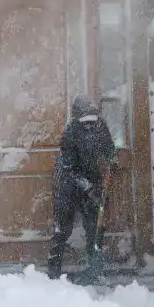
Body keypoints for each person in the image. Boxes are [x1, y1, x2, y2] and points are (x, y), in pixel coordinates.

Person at [46, 94, 117, 284]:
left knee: (95, 228)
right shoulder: (71, 132)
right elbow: (69, 167)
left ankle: (94, 270)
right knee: (62, 229)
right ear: (77, 116)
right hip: (67, 186)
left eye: (92, 121)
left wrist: (108, 160)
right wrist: (88, 187)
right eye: (85, 121)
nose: (90, 125)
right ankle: (53, 273)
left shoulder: (101, 126)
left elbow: (110, 150)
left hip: (93, 185)